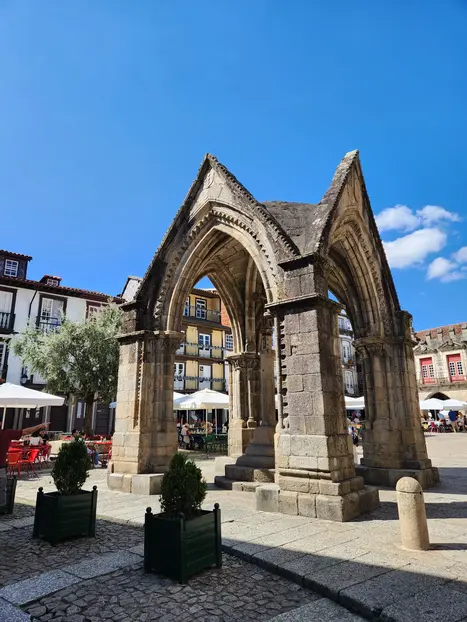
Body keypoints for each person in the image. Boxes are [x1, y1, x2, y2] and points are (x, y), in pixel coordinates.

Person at [0, 422, 49, 510]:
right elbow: (25, 432)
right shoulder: (6, 433)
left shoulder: (6, 433)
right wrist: (40, 426)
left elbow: (25, 432)